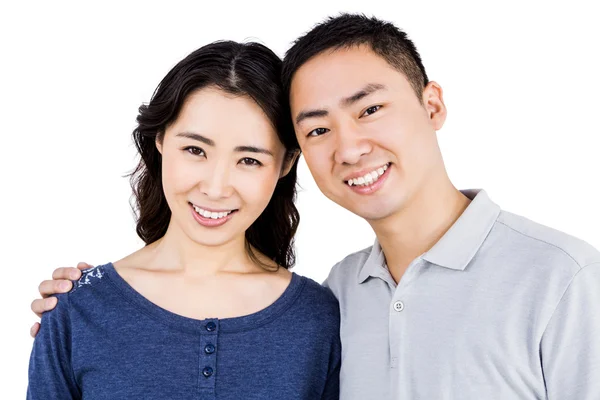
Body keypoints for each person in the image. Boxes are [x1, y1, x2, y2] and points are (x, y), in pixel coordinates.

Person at [31, 14, 600, 399]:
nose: (349, 147)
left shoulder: (565, 279)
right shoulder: (347, 292)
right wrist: (88, 301)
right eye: (320, 128)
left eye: (370, 109)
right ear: (160, 143)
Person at [26, 40, 340, 400]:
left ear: (285, 164)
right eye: (195, 150)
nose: (216, 187)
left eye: (249, 160)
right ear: (160, 138)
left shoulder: (320, 319)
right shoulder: (76, 308)